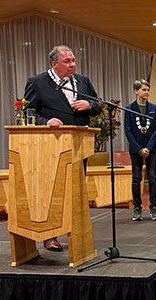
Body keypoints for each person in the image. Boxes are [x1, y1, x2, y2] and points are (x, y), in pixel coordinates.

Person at [23, 45, 101, 252]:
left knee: (76, 192)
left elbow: (98, 105)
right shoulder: (37, 82)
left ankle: (76, 232)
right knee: (54, 192)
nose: (72, 65)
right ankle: (50, 236)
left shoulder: (83, 81)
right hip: (51, 147)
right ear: (54, 64)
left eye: (73, 60)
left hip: (79, 145)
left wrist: (89, 105)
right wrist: (45, 122)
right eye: (67, 61)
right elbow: (27, 112)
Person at [124, 79, 156, 221]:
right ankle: (137, 208)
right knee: (136, 178)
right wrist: (139, 149)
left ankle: (154, 208)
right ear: (136, 91)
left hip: (151, 148)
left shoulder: (153, 108)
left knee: (152, 177)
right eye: (144, 89)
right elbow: (128, 131)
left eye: (148, 90)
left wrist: (149, 147)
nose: (147, 92)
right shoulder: (129, 109)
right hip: (136, 149)